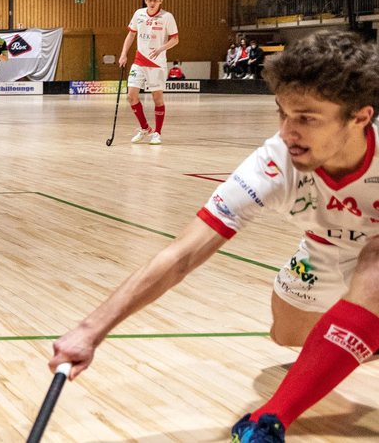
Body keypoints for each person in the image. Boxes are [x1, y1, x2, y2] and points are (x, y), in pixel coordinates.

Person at [50, 31, 379, 442]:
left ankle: (269, 419)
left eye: (307, 118)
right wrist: (90, 330)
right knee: (288, 336)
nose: (287, 132)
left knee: (374, 270)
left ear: (360, 117)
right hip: (324, 247)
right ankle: (365, 328)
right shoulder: (273, 164)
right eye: (282, 113)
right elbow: (183, 254)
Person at [121, 0, 178, 145]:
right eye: (150, 0)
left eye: (156, 0)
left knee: (157, 98)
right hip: (139, 61)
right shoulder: (138, 14)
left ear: (161, 1)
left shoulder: (167, 17)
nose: (152, 3)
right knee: (131, 97)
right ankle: (145, 128)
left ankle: (157, 133)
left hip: (156, 63)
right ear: (145, 0)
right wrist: (124, 54)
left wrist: (161, 48)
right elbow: (131, 35)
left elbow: (175, 39)